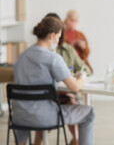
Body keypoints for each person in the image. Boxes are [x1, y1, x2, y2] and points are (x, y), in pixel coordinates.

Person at [13, 16, 95, 145]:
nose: (58, 41)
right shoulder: (53, 58)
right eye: (58, 37)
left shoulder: (21, 57)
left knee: (28, 107)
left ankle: (20, 143)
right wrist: (83, 77)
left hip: (19, 117)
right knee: (89, 112)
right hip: (44, 117)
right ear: (51, 35)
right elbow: (75, 87)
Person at [34, 13, 90, 145]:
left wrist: (78, 74)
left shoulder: (68, 50)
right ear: (52, 35)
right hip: (46, 101)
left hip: (61, 97)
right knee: (86, 113)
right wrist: (79, 78)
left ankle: (76, 140)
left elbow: (84, 69)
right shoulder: (45, 56)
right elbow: (75, 86)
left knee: (71, 106)